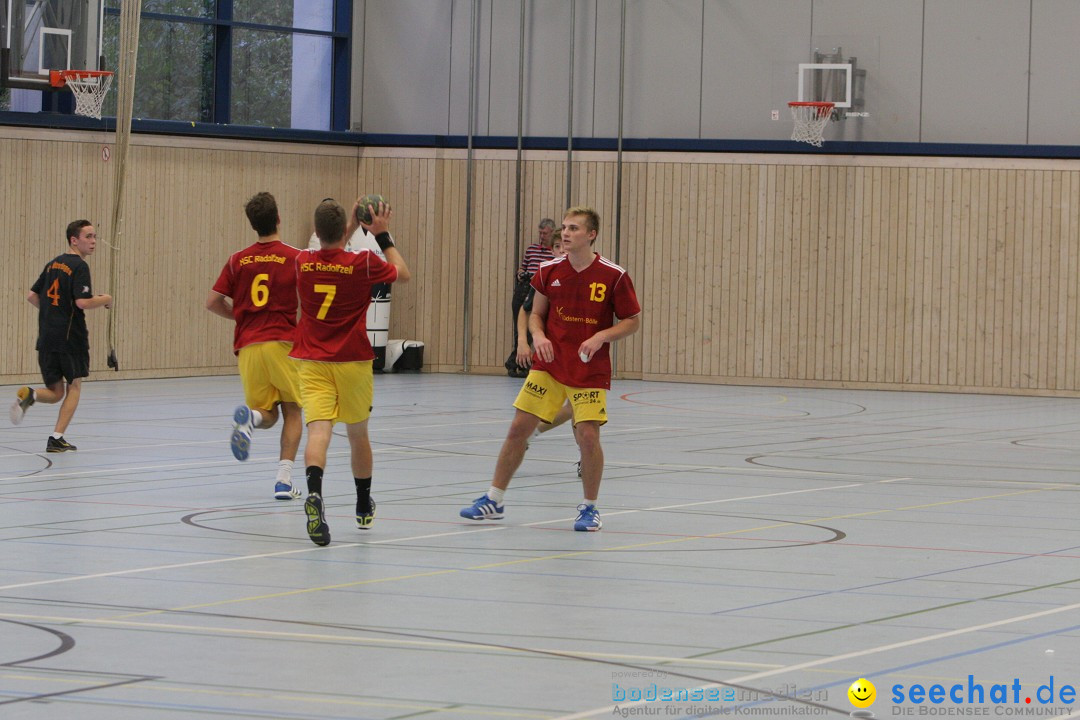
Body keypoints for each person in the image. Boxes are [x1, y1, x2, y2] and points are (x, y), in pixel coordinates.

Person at [461, 206, 641, 531]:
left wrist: (601, 336)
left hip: (588, 368)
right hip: (549, 364)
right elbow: (534, 314)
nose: (567, 233)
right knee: (519, 427)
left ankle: (589, 508)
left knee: (587, 435)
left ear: (591, 234)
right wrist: (538, 335)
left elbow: (632, 322)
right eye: (564, 227)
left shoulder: (614, 275)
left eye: (574, 228)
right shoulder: (548, 270)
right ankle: (493, 499)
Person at [292, 198, 411, 546]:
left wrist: (342, 229)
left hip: (313, 361)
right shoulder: (363, 263)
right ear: (347, 228)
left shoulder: (303, 261)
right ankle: (362, 504)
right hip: (353, 361)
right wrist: (382, 233)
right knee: (358, 434)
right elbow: (402, 273)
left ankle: (315, 492)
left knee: (318, 432)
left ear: (316, 232)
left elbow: (330, 245)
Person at [206, 191, 304, 500]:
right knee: (293, 411)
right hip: (282, 344)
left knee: (266, 413)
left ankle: (251, 419)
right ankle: (284, 481)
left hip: (248, 346)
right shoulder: (295, 257)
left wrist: (241, 315)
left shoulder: (238, 260)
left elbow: (212, 302)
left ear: (253, 225)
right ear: (278, 219)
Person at [10, 220, 113, 452]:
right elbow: (83, 302)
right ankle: (57, 438)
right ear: (74, 240)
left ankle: (30, 394)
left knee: (56, 393)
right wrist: (106, 299)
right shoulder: (79, 266)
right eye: (88, 236)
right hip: (70, 338)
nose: (94, 241)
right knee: (74, 387)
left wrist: (52, 315)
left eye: (95, 236)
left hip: (47, 337)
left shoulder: (52, 264)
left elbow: (31, 296)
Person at [505, 218, 556, 377]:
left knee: (533, 328)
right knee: (520, 327)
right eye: (540, 233)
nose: (542, 236)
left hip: (540, 291)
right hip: (524, 288)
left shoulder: (554, 252)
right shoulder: (532, 249)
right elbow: (523, 266)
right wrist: (521, 273)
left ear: (552, 233)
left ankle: (521, 363)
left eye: (545, 233)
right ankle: (519, 362)